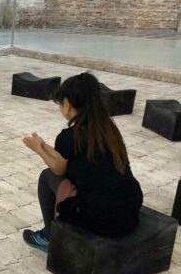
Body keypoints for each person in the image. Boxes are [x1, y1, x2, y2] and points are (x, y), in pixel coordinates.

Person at [21, 72, 143, 252]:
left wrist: (38, 149)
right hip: (129, 210)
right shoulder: (107, 130)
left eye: (60, 104)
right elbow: (67, 157)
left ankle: (48, 237)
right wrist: (44, 145)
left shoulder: (70, 136)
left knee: (46, 177)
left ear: (67, 104)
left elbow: (58, 169)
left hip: (101, 218)